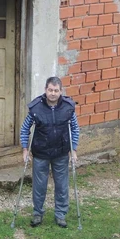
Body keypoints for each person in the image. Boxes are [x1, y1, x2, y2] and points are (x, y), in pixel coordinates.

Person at [20, 76, 79, 228]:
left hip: (61, 152)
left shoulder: (68, 107)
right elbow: (25, 129)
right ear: (45, 90)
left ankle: (60, 215)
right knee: (39, 186)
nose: (53, 93)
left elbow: (75, 128)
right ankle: (38, 213)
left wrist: (74, 150)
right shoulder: (35, 108)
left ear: (61, 91)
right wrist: (25, 149)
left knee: (62, 185)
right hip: (41, 153)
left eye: (56, 90)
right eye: (50, 90)